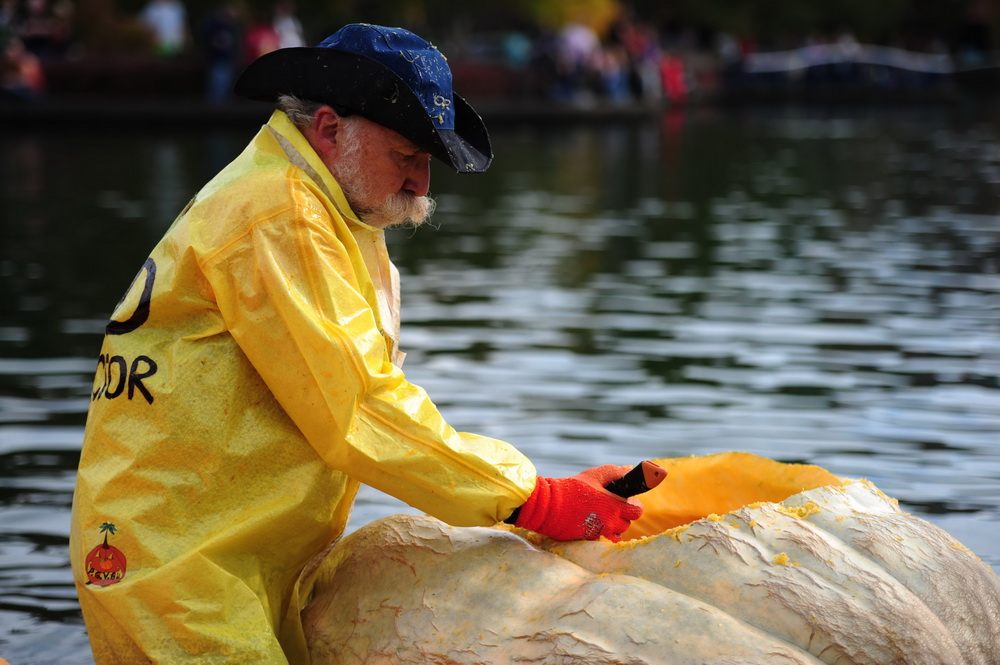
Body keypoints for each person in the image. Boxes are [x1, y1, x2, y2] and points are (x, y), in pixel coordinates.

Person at [69, 23, 643, 665]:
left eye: (428, 163)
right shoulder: (282, 214)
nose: (424, 185)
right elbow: (360, 405)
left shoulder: (325, 200)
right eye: (407, 157)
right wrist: (536, 498)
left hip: (227, 549)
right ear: (330, 128)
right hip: (176, 564)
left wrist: (530, 492)